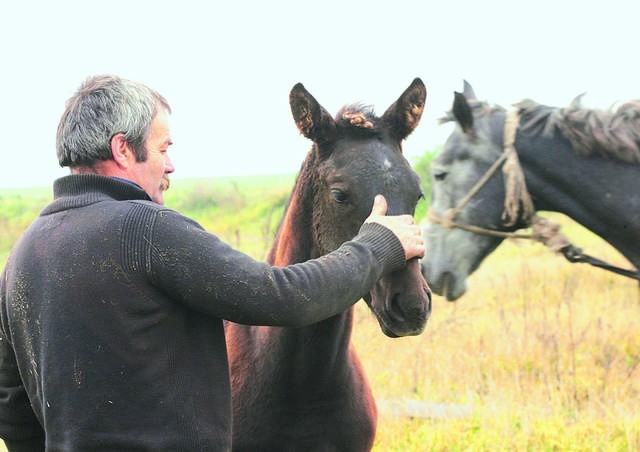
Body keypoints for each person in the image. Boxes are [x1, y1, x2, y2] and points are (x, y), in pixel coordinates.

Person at [0, 74, 425, 451]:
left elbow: (10, 397)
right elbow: (283, 297)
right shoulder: (145, 230)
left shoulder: (23, 255)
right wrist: (378, 245)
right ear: (123, 150)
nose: (170, 164)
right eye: (162, 148)